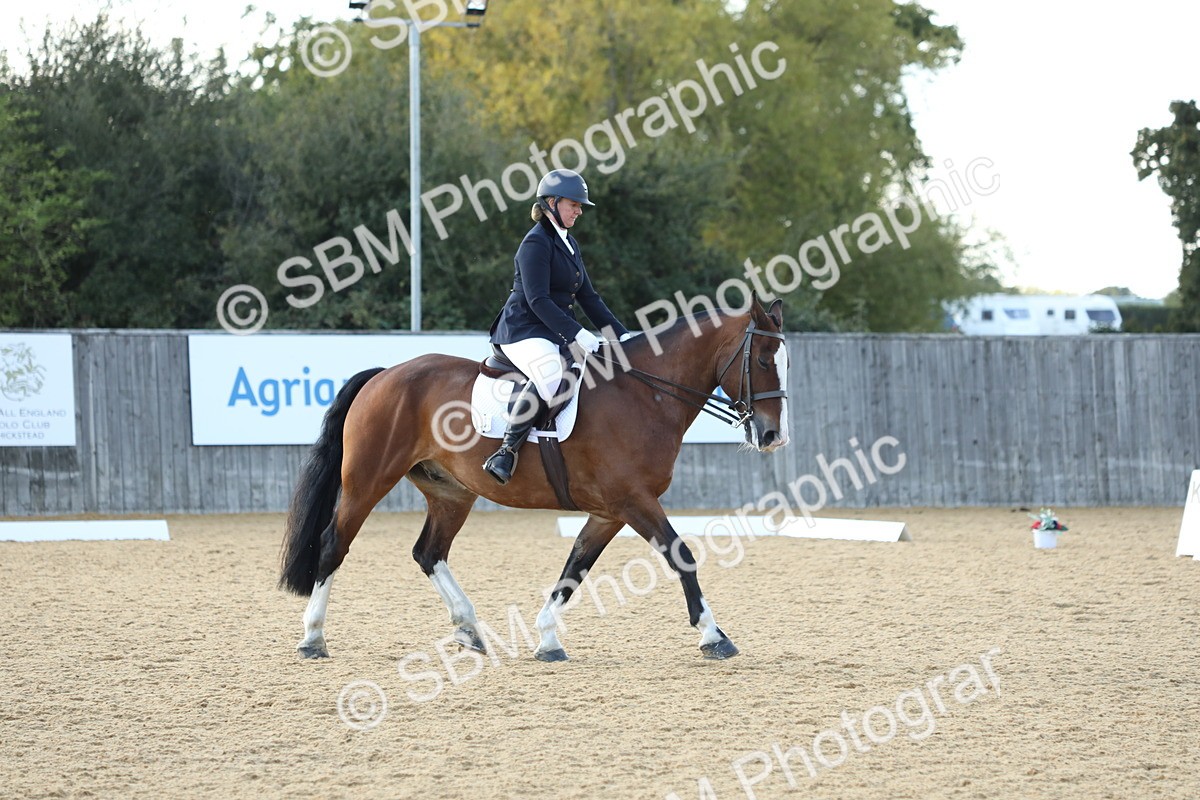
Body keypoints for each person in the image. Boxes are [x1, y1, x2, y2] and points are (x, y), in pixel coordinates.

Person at [482, 168, 633, 485]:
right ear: (551, 203)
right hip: (522, 330)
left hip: (553, 331)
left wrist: (622, 336)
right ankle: (506, 451)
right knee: (551, 373)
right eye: (574, 204)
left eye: (580, 206)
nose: (579, 211)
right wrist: (577, 333)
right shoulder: (535, 244)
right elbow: (537, 300)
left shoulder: (570, 244)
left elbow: (589, 298)